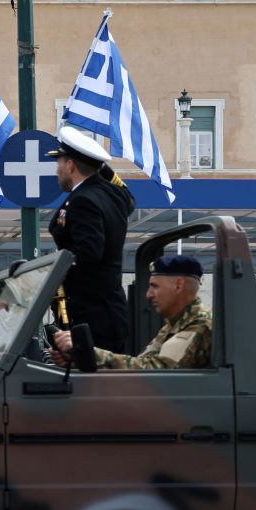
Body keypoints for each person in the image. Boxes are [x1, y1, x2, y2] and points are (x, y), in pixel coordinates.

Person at [44, 125, 137, 353]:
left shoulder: (82, 201)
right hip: (108, 312)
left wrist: (48, 271)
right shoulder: (114, 195)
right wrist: (97, 165)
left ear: (71, 165)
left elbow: (88, 254)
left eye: (59, 163)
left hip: (90, 317)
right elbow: (127, 196)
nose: (57, 171)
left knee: (94, 386)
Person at [50, 254, 212, 370]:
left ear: (178, 286)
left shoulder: (199, 324)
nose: (148, 294)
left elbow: (157, 371)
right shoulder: (175, 324)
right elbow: (141, 364)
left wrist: (90, 353)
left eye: (155, 286)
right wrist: (78, 359)